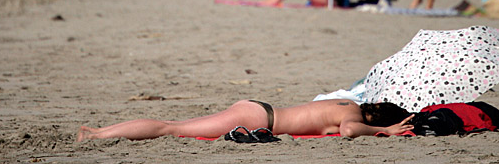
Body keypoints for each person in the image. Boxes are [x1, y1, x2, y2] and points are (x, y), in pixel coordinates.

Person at [77, 99, 414, 141]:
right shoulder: (353, 115)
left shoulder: (347, 101)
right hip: (258, 118)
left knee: (174, 126)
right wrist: (384, 131)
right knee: (171, 129)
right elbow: (350, 131)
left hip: (261, 109)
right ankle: (95, 136)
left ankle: (98, 132)